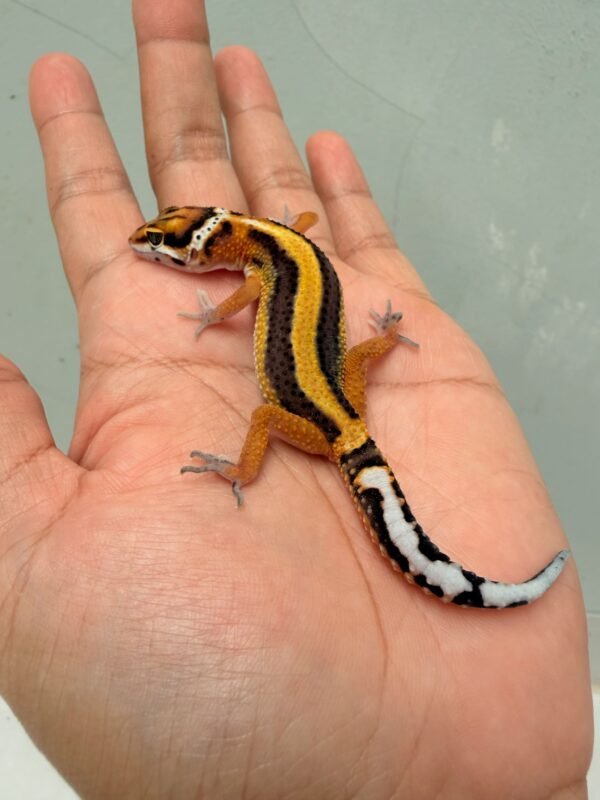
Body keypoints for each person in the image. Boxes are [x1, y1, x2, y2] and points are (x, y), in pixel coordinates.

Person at [0, 1, 592, 797]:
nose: (157, 253)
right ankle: (476, 562)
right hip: (344, 404)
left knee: (258, 415)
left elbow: (249, 289)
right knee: (355, 361)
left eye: (169, 251)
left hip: (314, 423)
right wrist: (292, 308)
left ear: (216, 250)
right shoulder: (292, 244)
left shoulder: (257, 271)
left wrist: (216, 318)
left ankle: (245, 473)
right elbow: (300, 221)